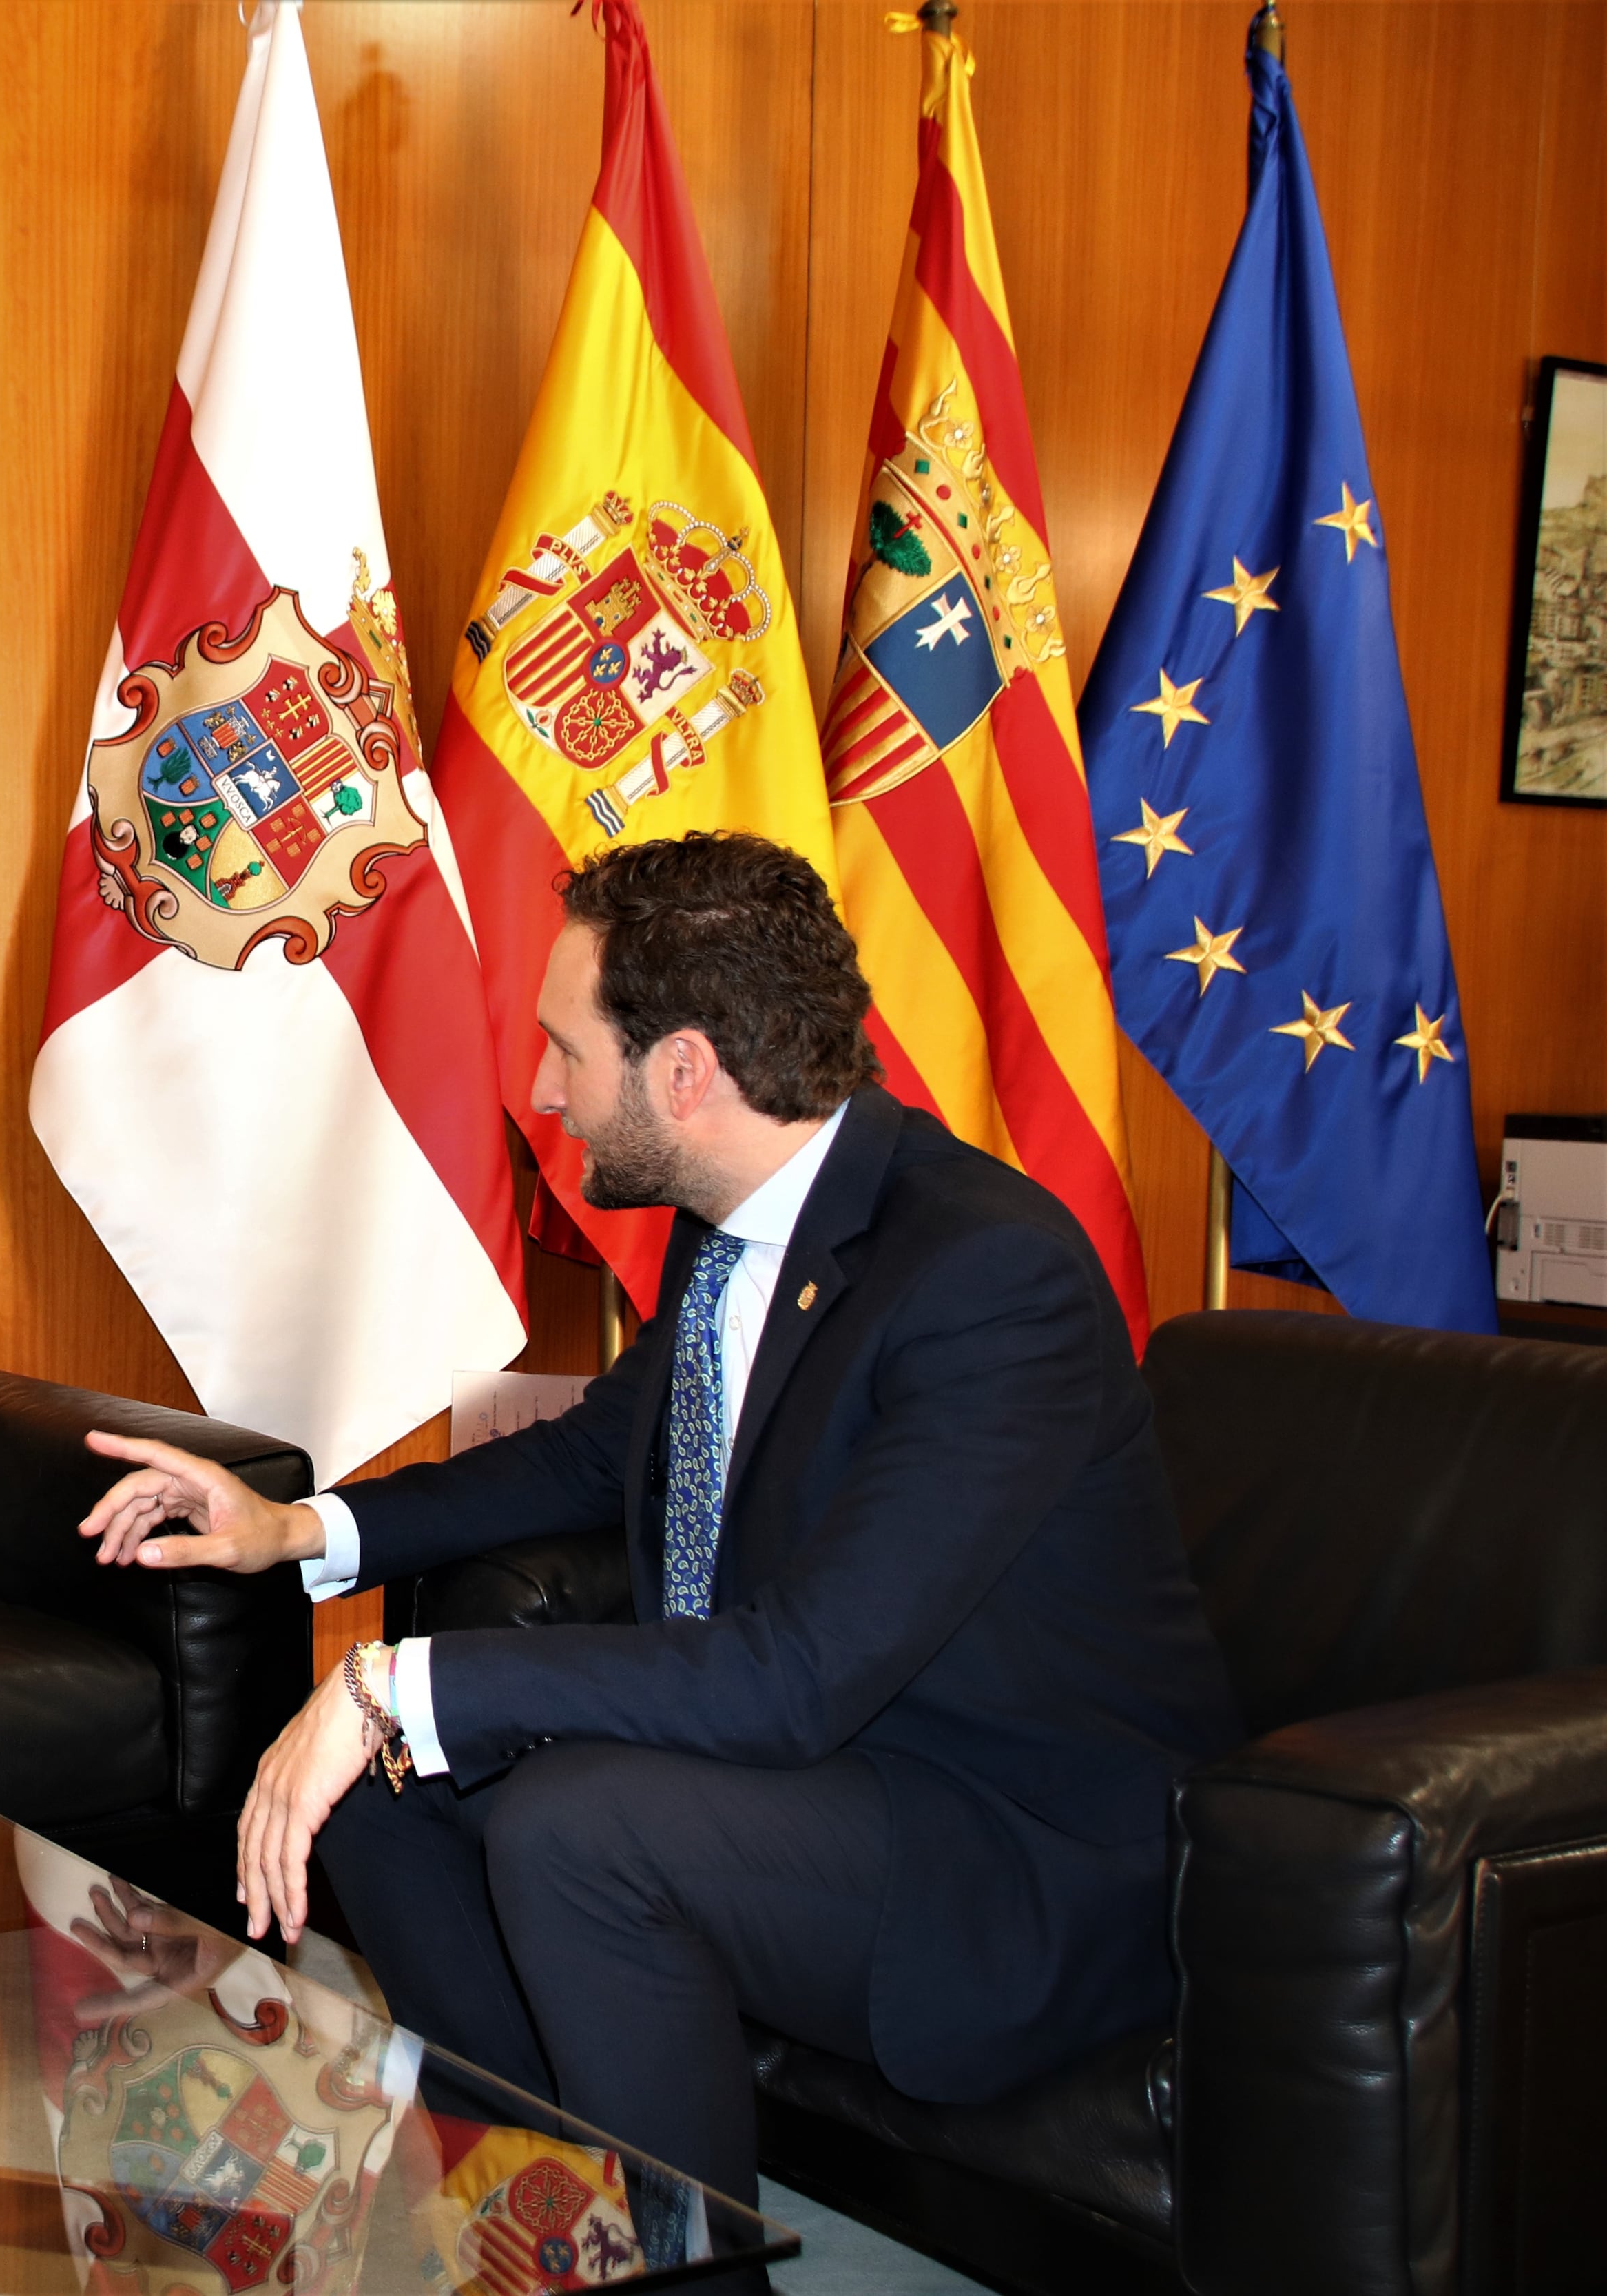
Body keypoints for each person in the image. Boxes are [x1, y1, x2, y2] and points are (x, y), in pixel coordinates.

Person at [74, 831, 1243, 2217]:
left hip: (1011, 1849)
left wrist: (392, 1681)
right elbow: (585, 1456)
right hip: (825, 1777)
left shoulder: (987, 1275)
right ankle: (534, 2212)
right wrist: (292, 1529)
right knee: (389, 1798)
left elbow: (797, 1671)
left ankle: (689, 2262)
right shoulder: (734, 1222)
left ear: (684, 1072)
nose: (542, 1092)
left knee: (579, 1821)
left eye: (567, 1051)